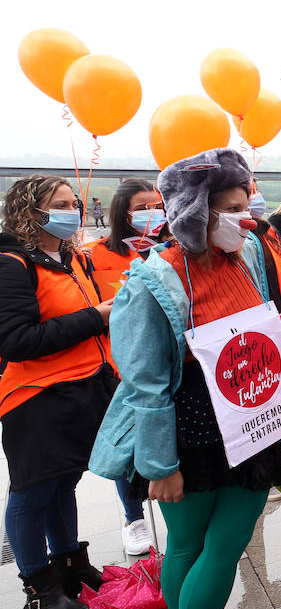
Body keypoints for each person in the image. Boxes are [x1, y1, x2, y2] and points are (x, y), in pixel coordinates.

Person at [88, 148, 281, 609]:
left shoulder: (244, 253)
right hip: (190, 434)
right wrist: (161, 466)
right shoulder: (151, 281)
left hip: (249, 417)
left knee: (214, 542)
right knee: (211, 543)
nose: (246, 218)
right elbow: (144, 382)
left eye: (247, 204)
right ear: (193, 213)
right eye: (231, 208)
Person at [0, 175, 116, 609]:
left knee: (63, 483)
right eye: (62, 204)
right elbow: (16, 341)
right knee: (32, 492)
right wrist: (95, 318)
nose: (75, 211)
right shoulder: (12, 264)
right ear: (32, 211)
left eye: (76, 203)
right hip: (36, 398)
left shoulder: (71, 259)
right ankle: (38, 588)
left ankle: (70, 562)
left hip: (82, 387)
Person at [85, 177, 171, 555]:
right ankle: (133, 517)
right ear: (123, 212)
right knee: (129, 447)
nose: (151, 215)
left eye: (157, 206)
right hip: (119, 365)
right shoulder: (94, 255)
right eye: (142, 207)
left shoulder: (168, 250)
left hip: (166, 360)